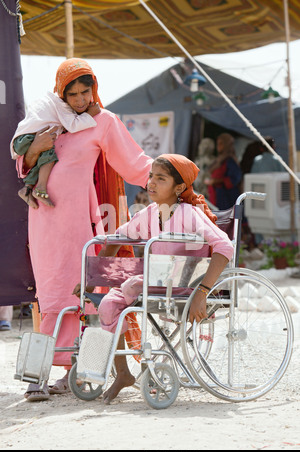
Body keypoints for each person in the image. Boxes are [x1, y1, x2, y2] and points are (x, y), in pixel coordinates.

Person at [13, 58, 153, 401]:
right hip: (44, 219)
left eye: (85, 90)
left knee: (84, 296)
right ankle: (39, 374)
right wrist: (35, 148)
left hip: (80, 220)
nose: (80, 98)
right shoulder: (51, 118)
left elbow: (134, 164)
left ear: (94, 89)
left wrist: (175, 177)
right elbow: (24, 165)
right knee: (49, 296)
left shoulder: (103, 122)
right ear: (61, 93)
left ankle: (79, 370)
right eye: (71, 92)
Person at [73, 154, 234, 404]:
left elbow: (225, 247)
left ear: (179, 187)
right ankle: (124, 374)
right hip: (156, 284)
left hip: (186, 287)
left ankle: (132, 367)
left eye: (161, 178)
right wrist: (93, 276)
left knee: (126, 288)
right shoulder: (149, 214)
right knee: (107, 305)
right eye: (151, 176)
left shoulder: (190, 214)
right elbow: (117, 239)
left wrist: (202, 292)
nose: (151, 183)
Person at [11, 92, 101, 208]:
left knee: (40, 162)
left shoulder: (48, 100)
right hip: (32, 137)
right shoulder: (62, 105)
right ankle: (41, 188)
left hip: (21, 138)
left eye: (85, 93)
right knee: (49, 154)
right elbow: (73, 125)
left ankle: (27, 189)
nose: (80, 100)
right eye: (73, 94)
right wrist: (90, 114)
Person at [205, 133, 242, 209]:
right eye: (217, 143)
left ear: (227, 145)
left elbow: (235, 178)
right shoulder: (219, 160)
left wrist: (216, 181)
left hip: (227, 199)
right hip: (217, 197)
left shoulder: (230, 161)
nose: (218, 146)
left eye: (221, 143)